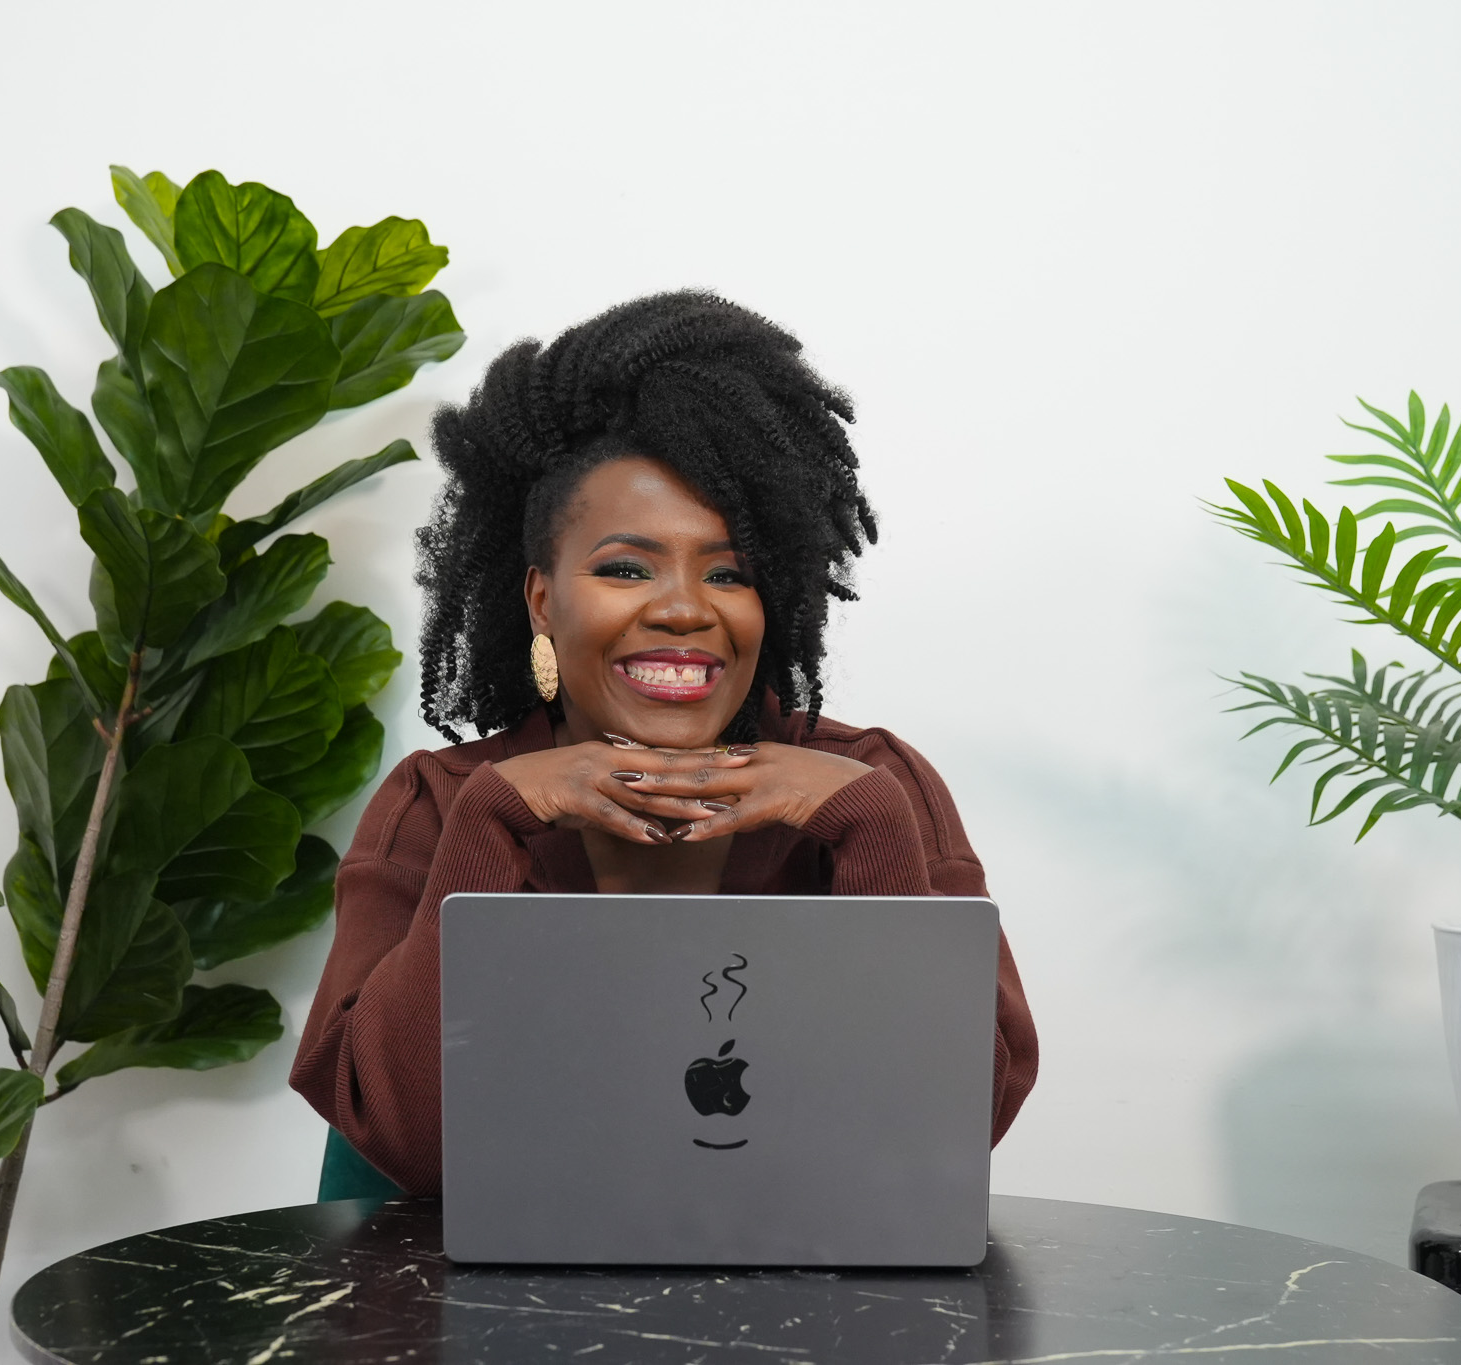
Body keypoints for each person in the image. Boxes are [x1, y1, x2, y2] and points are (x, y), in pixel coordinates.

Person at [291, 291, 1039, 1196]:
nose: (684, 608)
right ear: (541, 598)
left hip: (794, 1273)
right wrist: (488, 826)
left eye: (729, 572)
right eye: (626, 567)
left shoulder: (879, 787)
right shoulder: (440, 804)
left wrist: (873, 836)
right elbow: (402, 1141)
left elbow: (953, 1127)